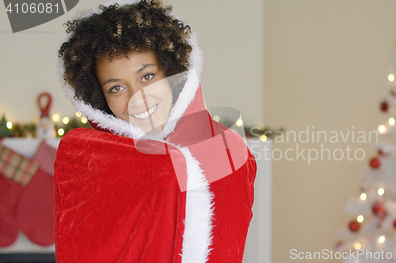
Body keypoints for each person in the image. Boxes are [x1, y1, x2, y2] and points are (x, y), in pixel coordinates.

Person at [54, 0, 257, 262]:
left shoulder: (226, 150)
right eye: (116, 88)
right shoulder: (90, 159)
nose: (138, 98)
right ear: (98, 97)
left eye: (147, 76)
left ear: (171, 69)